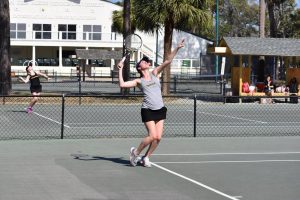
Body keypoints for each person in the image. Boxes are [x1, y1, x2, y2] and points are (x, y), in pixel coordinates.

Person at [117, 39, 185, 167]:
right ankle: (135, 152)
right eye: (143, 61)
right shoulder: (139, 81)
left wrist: (177, 48)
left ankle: (146, 157)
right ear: (139, 67)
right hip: (147, 110)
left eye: (146, 61)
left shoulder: (155, 73)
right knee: (152, 136)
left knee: (158, 138)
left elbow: (168, 61)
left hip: (160, 109)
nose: (146, 62)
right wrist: (120, 69)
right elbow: (122, 84)